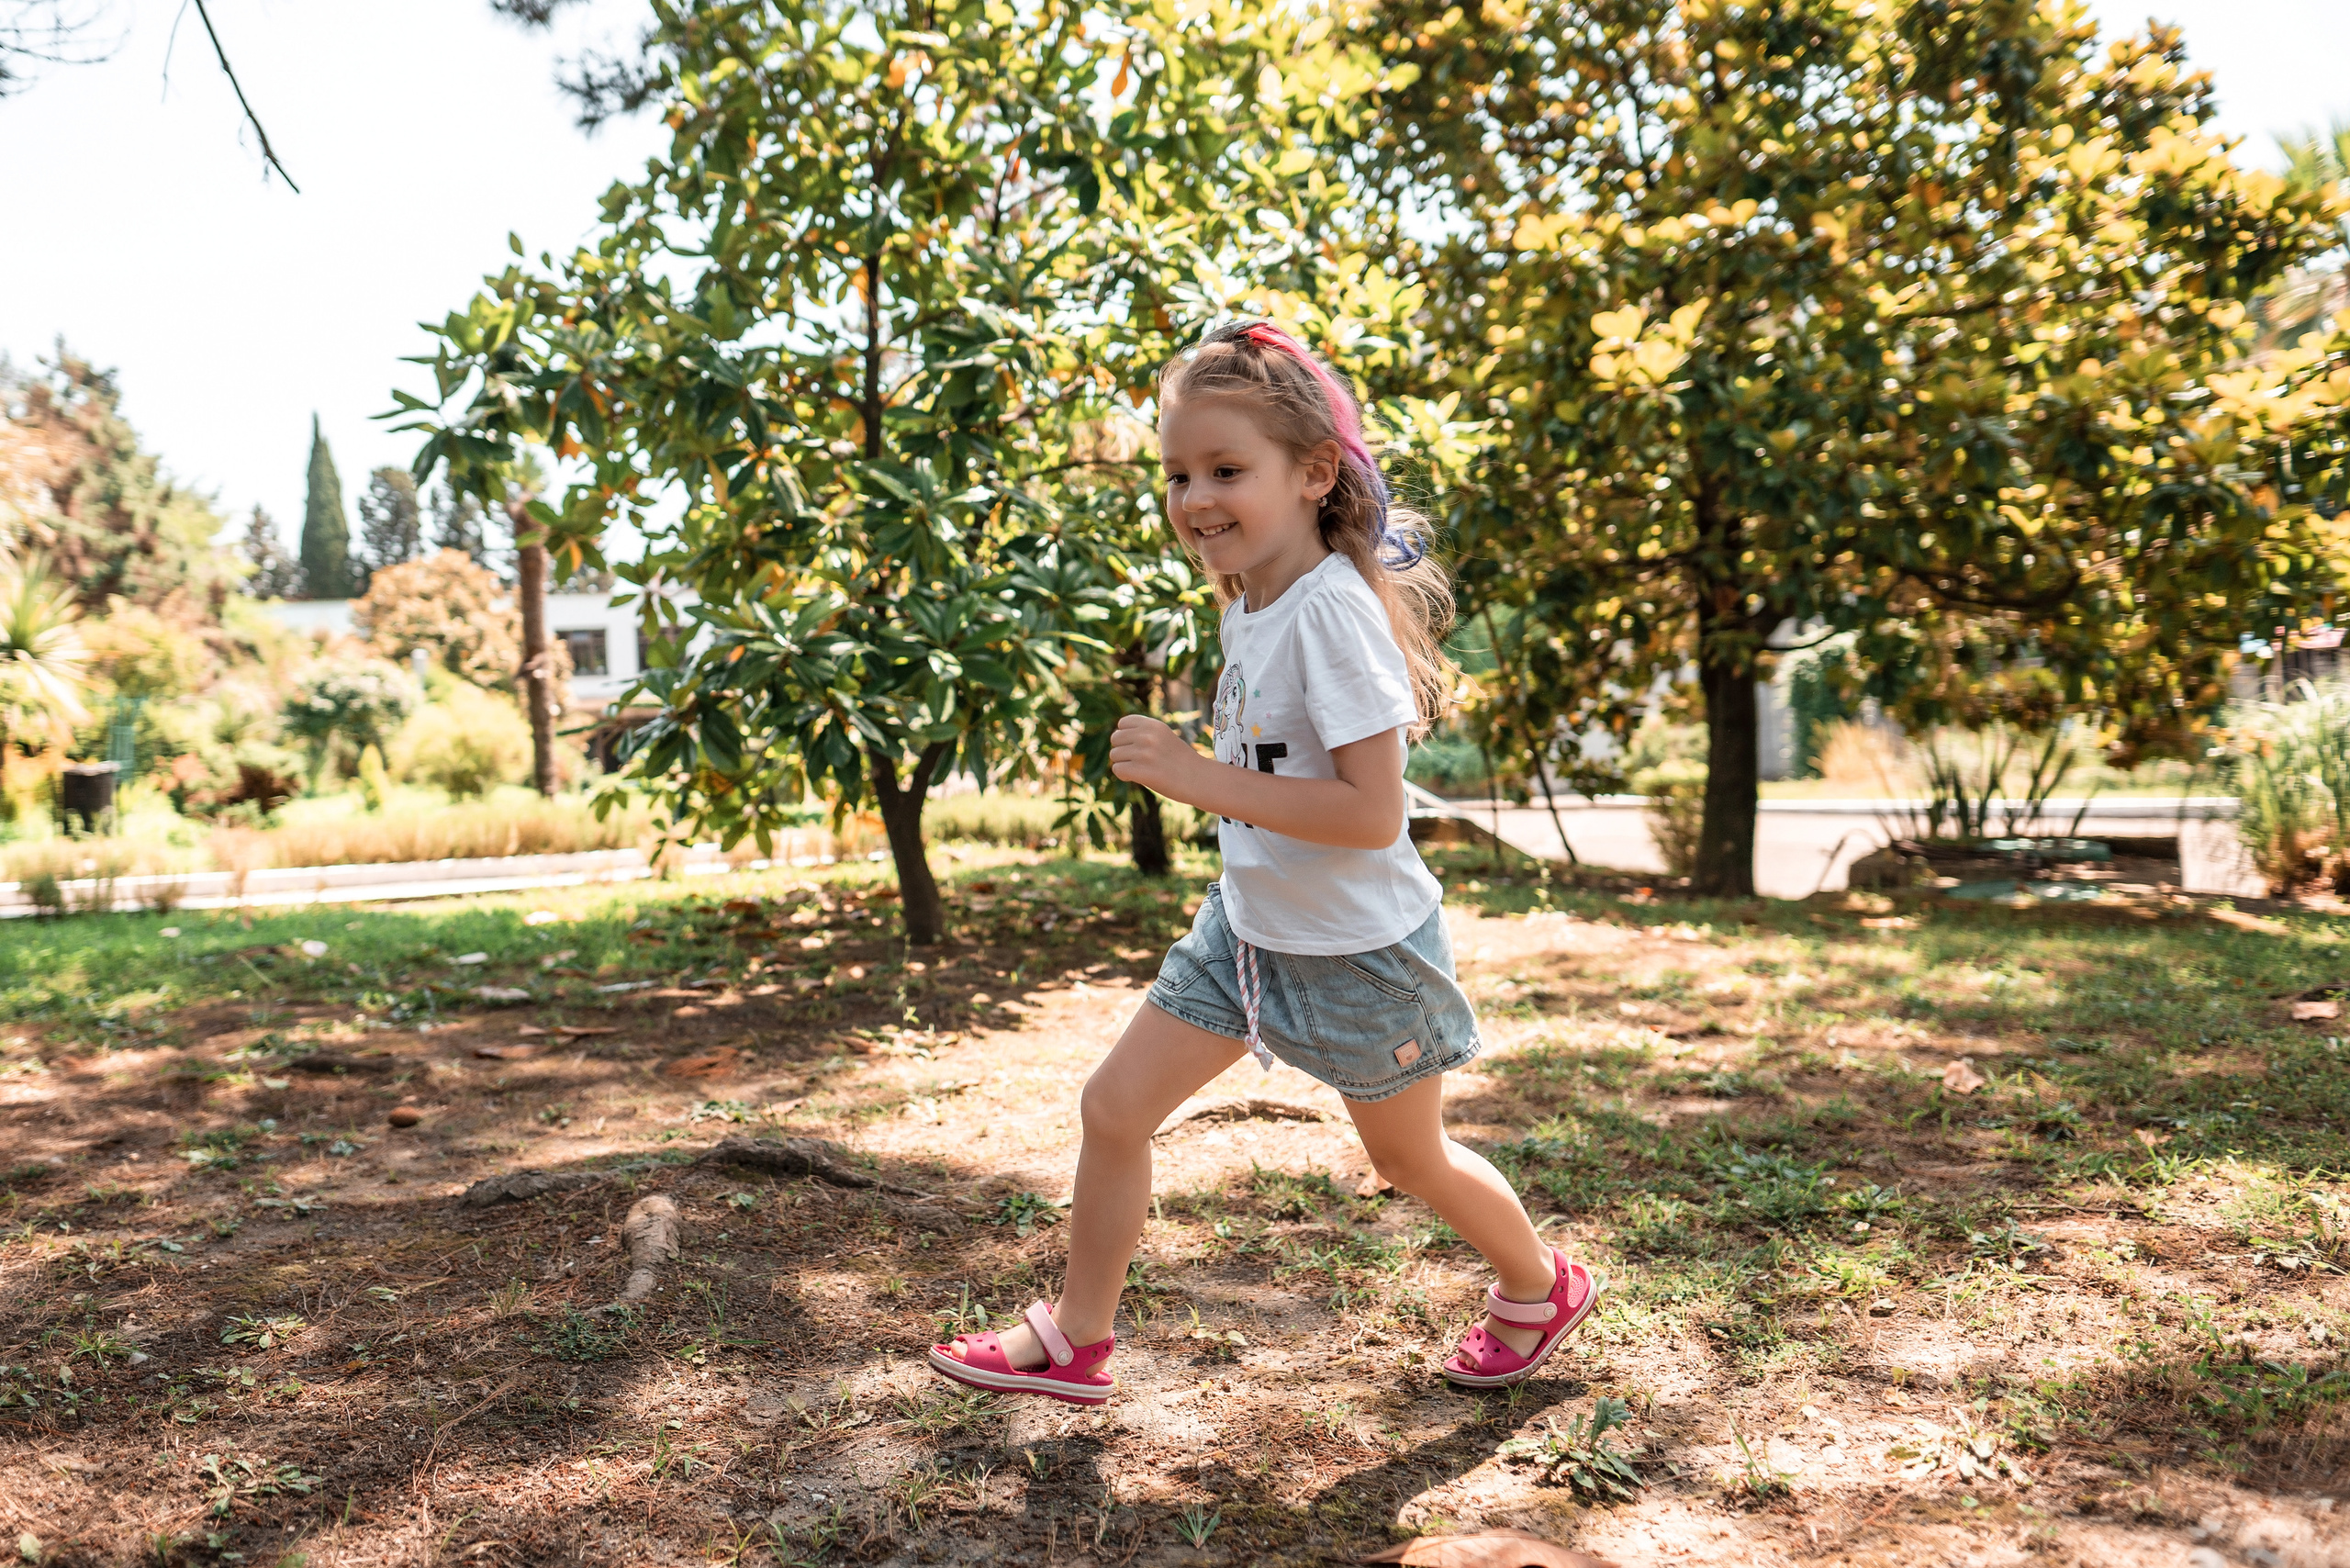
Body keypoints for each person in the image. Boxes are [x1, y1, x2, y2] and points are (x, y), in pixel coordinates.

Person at [926, 321, 1601, 1406]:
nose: (1194, 498)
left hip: (1358, 953)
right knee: (1113, 1108)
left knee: (1407, 1162)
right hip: (1245, 930)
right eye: (1178, 473)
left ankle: (1537, 1284)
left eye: (1225, 470)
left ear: (1313, 472)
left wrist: (1194, 776)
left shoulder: (1330, 611)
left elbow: (1370, 814)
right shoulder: (1249, 594)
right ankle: (1077, 1336)